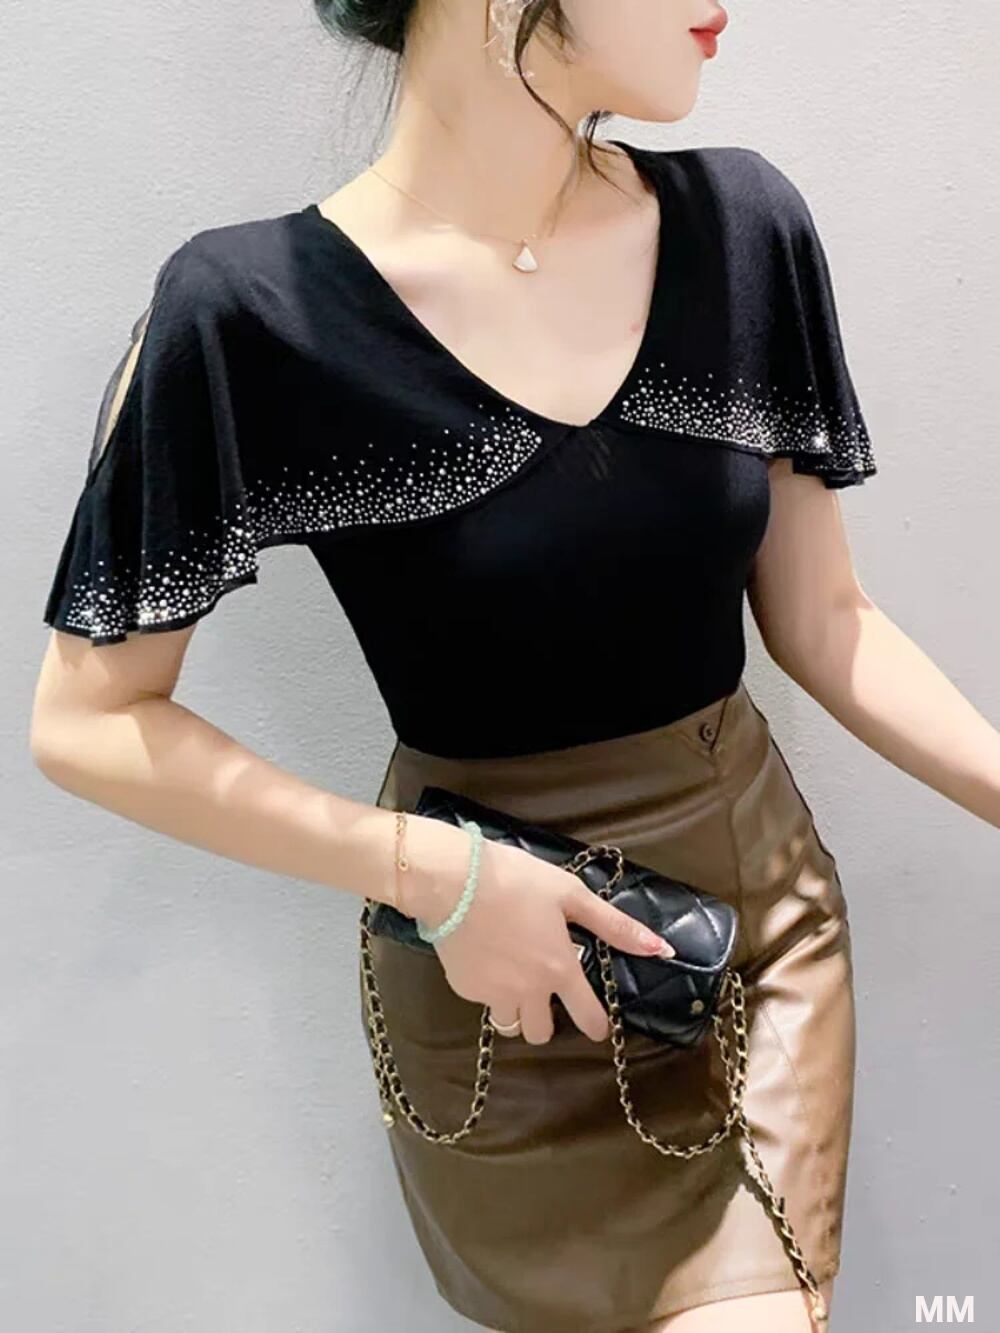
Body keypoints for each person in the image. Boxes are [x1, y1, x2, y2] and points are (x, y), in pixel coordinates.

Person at [29, 2, 1000, 1331]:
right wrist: (432, 874)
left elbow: (828, 620)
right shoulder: (254, 313)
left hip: (746, 944)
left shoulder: (741, 230)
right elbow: (88, 721)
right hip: (498, 995)